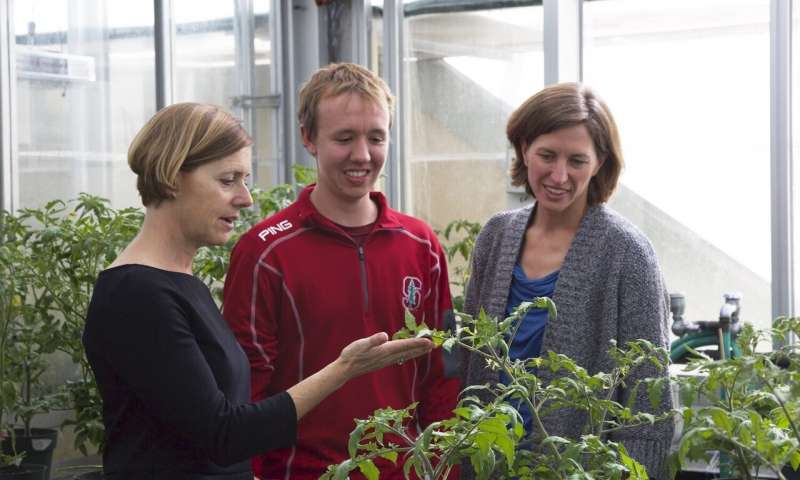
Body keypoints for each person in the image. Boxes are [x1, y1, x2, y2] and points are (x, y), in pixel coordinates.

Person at [83, 102, 434, 480]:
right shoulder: (137, 296)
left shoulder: (181, 283)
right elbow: (224, 434)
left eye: (245, 178)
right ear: (172, 177)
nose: (246, 197)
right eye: (228, 179)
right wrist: (345, 369)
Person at [223, 63, 460, 479]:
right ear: (308, 138)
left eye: (376, 137)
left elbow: (442, 375)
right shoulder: (266, 253)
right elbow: (247, 390)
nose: (363, 155)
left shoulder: (420, 244)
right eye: (344, 138)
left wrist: (444, 467)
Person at [459, 83, 674, 478]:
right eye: (547, 155)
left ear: (600, 162)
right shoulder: (497, 236)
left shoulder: (626, 253)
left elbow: (650, 405)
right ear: (524, 149)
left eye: (577, 160)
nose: (559, 175)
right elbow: (473, 366)